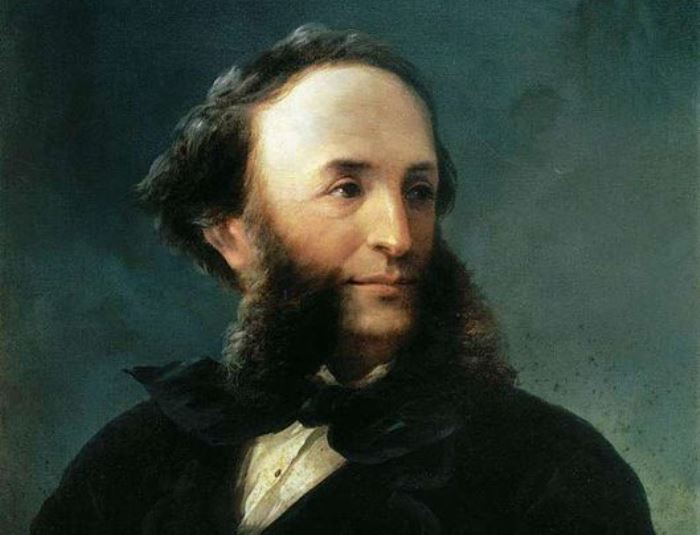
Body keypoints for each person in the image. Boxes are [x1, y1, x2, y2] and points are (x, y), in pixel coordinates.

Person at [31, 25, 655, 534]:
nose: (398, 236)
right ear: (232, 235)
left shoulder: (555, 471)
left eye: (418, 191)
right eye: (347, 189)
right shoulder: (130, 458)